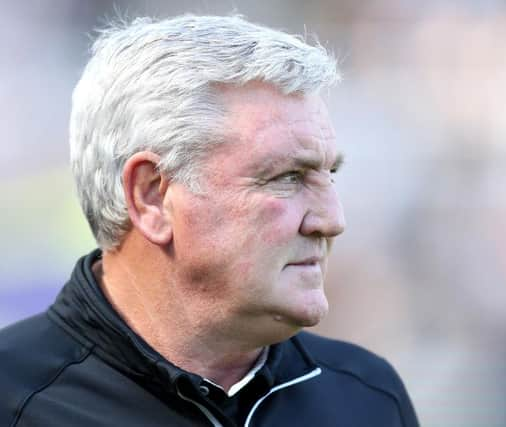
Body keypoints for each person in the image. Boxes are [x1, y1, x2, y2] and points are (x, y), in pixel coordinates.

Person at [0, 14, 419, 427]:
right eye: (287, 178)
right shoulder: (13, 398)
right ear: (151, 196)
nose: (331, 220)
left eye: (329, 175)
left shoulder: (367, 397)